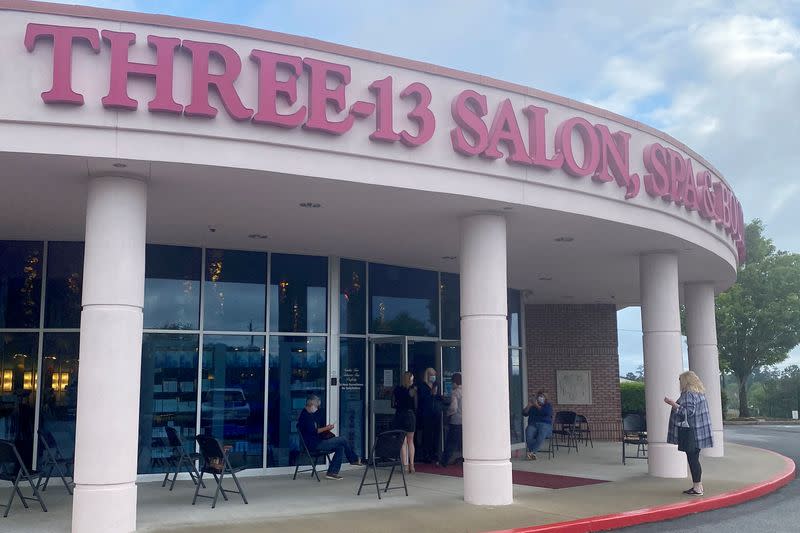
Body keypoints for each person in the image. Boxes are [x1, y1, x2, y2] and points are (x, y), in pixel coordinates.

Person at [665, 370, 713, 496]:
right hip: (700, 432)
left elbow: (688, 412)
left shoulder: (688, 394)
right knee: (695, 458)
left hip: (691, 432)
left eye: (680, 381)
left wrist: (673, 404)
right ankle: (699, 486)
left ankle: (697, 487)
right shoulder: (700, 394)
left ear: (686, 381)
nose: (679, 383)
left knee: (693, 460)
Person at [297, 395, 362, 480]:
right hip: (314, 444)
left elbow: (315, 430)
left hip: (317, 441)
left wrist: (326, 429)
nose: (317, 408)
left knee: (340, 447)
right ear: (311, 404)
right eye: (317, 406)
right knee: (343, 439)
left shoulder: (309, 414)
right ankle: (353, 459)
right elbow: (314, 431)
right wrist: (326, 428)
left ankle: (332, 472)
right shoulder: (306, 416)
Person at [415, 367, 442, 464]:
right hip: (426, 414)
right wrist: (431, 394)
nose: (433, 376)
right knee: (427, 435)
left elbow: (439, 397)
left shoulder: (436, 385)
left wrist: (437, 395)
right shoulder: (422, 386)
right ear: (427, 375)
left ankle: (435, 454)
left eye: (434, 374)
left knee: (436, 434)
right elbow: (421, 399)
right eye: (431, 374)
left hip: (436, 414)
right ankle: (426, 455)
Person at [392, 371, 417, 473]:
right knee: (411, 441)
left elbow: (393, 403)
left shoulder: (397, 389)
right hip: (410, 415)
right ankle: (412, 465)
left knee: (403, 442)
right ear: (410, 379)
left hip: (400, 415)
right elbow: (416, 405)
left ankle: (405, 465)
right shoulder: (413, 390)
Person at [439, 372, 462, 467]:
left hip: (456, 420)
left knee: (451, 442)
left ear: (455, 382)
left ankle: (444, 462)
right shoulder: (469, 390)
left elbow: (453, 407)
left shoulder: (456, 392)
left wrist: (448, 414)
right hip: (466, 421)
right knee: (463, 442)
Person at [523, 390, 553, 460]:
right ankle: (532, 453)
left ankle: (532, 452)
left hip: (545, 425)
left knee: (541, 434)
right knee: (529, 433)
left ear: (546, 398)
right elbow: (524, 413)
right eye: (540, 396)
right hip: (533, 424)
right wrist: (529, 405)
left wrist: (536, 405)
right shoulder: (532, 406)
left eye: (543, 396)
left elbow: (544, 412)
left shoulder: (548, 406)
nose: (541, 397)